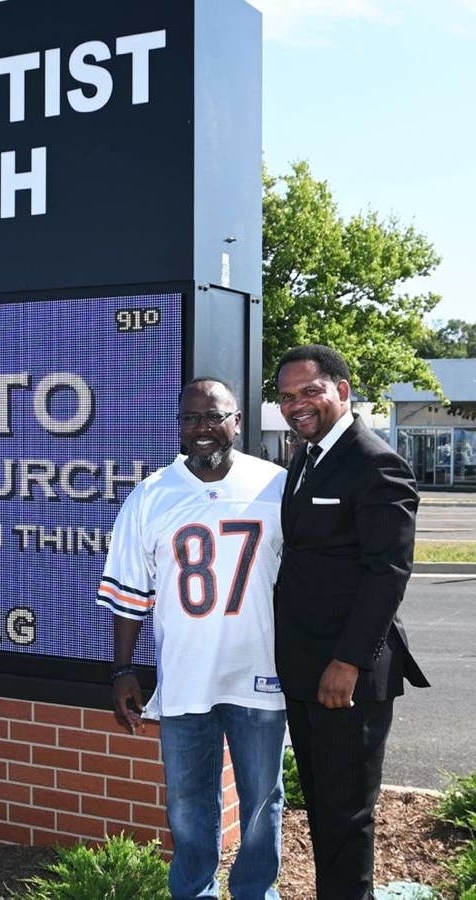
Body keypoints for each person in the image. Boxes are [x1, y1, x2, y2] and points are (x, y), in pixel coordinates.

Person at [97, 378, 287, 900]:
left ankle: (254, 893)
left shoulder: (275, 485)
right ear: (179, 426)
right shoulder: (152, 493)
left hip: (261, 674)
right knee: (185, 802)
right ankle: (194, 893)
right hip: (184, 676)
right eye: (190, 419)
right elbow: (130, 589)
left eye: (213, 416)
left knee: (262, 800)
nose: (202, 429)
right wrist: (122, 669)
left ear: (237, 421)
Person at [274, 345, 428, 898]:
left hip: (347, 676)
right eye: (287, 397)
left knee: (346, 819)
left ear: (342, 390)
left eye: (309, 391)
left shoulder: (374, 461)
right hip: (305, 671)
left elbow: (387, 571)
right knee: (322, 811)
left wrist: (347, 661)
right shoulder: (307, 458)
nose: (297, 405)